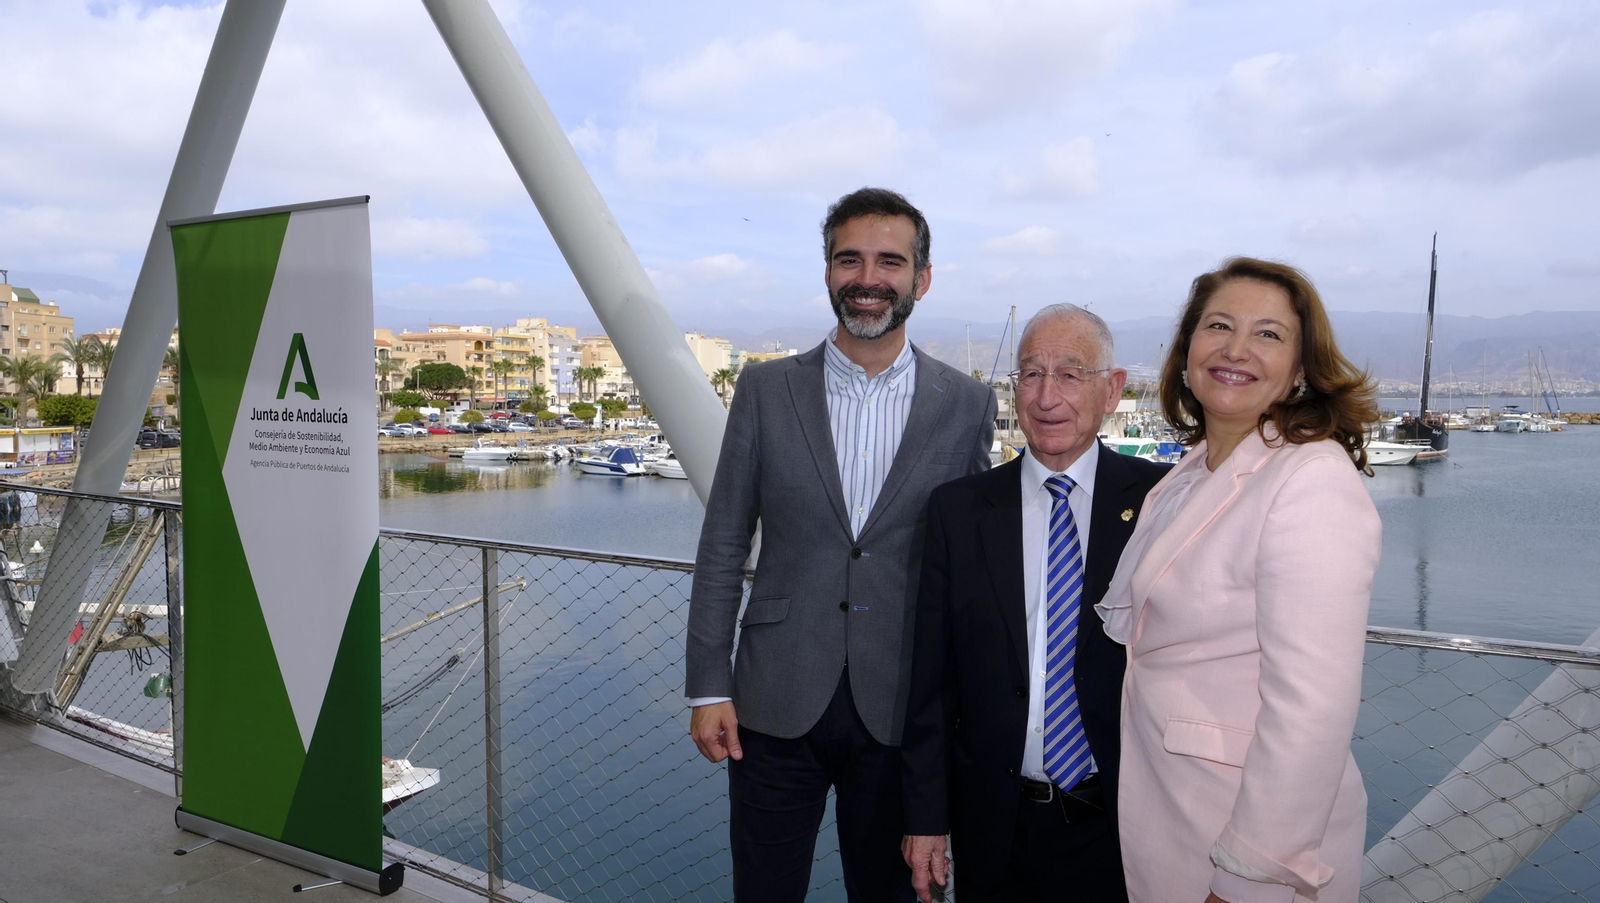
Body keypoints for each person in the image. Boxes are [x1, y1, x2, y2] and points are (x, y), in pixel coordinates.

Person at [686, 187, 997, 902]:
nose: (868, 278)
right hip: (770, 702)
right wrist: (708, 684)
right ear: (827, 271)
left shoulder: (967, 404)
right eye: (848, 258)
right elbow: (724, 541)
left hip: (902, 710)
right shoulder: (764, 390)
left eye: (891, 260)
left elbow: (973, 570)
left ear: (921, 277)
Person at [1096, 257, 1381, 902]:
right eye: (1218, 326)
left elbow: (1312, 707)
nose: (1236, 349)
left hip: (1243, 846)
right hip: (1174, 815)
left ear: (1302, 369)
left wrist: (1247, 876)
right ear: (1188, 349)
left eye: (1269, 334)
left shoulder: (1310, 479)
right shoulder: (1189, 476)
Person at [900, 304, 1169, 902]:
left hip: (1123, 827)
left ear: (1112, 390)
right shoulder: (958, 511)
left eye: (1071, 374)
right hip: (994, 826)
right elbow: (931, 682)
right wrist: (925, 817)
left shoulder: (1158, 502)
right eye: (1030, 374)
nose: (1047, 397)